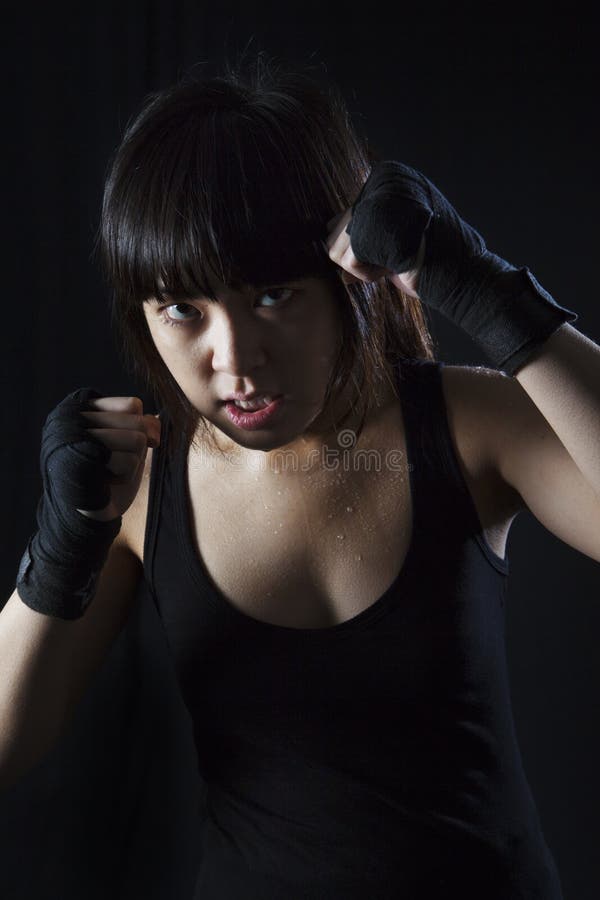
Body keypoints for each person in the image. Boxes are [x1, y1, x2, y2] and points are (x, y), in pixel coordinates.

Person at [2, 55, 599, 898]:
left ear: (346, 282)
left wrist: (495, 297)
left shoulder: (463, 426)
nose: (234, 361)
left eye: (274, 296)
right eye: (182, 308)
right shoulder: (135, 485)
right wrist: (56, 555)